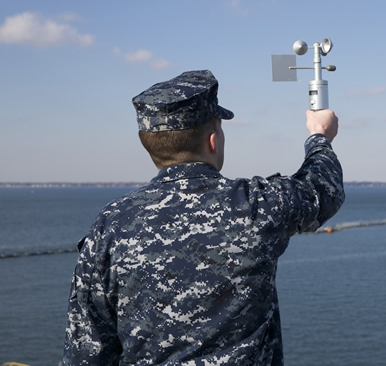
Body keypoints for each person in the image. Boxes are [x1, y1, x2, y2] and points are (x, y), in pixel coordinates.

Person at [63, 70, 344, 365]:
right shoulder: (255, 204)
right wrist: (319, 137)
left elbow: (87, 350)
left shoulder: (110, 225)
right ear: (213, 140)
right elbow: (321, 190)